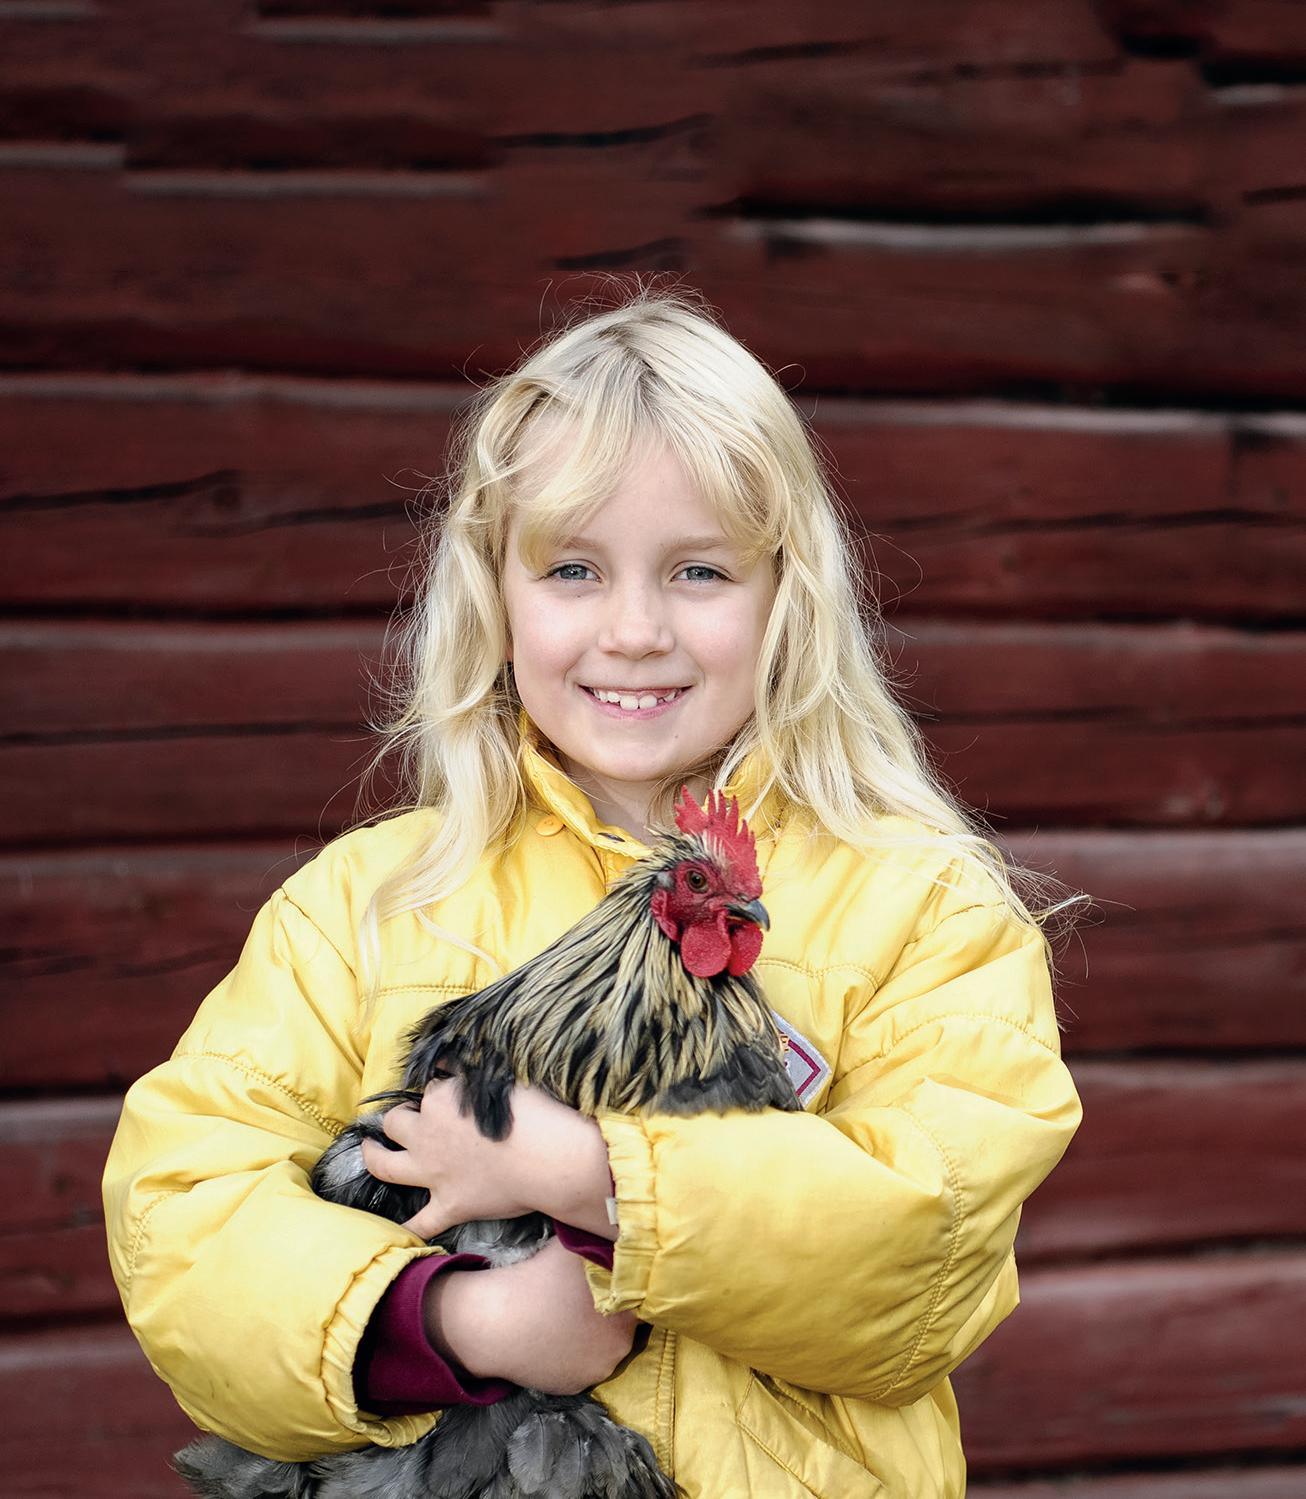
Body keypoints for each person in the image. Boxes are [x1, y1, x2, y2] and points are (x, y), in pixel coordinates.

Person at [102, 285, 1084, 1498]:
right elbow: (181, 1210)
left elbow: (928, 1253)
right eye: (573, 568)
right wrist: (460, 1320)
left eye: (698, 571)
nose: (633, 629)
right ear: (496, 594)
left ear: (786, 593)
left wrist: (590, 1174)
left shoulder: (926, 907)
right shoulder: (365, 904)